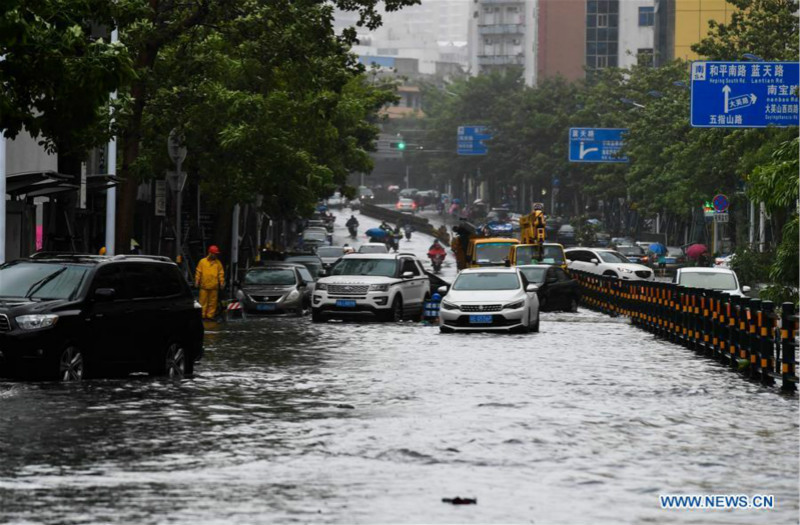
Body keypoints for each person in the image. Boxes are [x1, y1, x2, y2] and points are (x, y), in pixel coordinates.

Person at [195, 245, 225, 320]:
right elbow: (198, 272)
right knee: (202, 302)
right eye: (214, 253)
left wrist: (221, 283)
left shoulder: (218, 263)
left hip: (214, 287)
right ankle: (202, 316)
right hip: (204, 286)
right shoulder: (202, 262)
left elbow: (221, 274)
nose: (215, 255)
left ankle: (210, 316)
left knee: (212, 303)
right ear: (210, 253)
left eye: (216, 254)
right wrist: (197, 281)